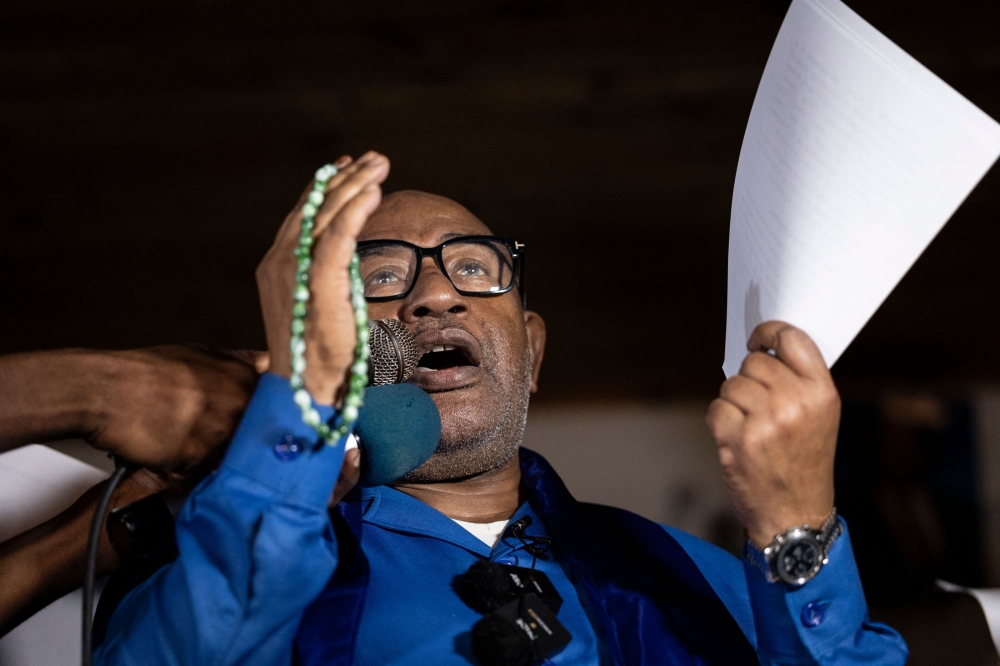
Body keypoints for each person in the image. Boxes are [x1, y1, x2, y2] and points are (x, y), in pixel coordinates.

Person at [0, 152, 907, 664]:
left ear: (534, 352)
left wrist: (797, 529)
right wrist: (297, 416)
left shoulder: (694, 572)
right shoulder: (227, 563)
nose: (435, 299)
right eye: (382, 278)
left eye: (475, 268)